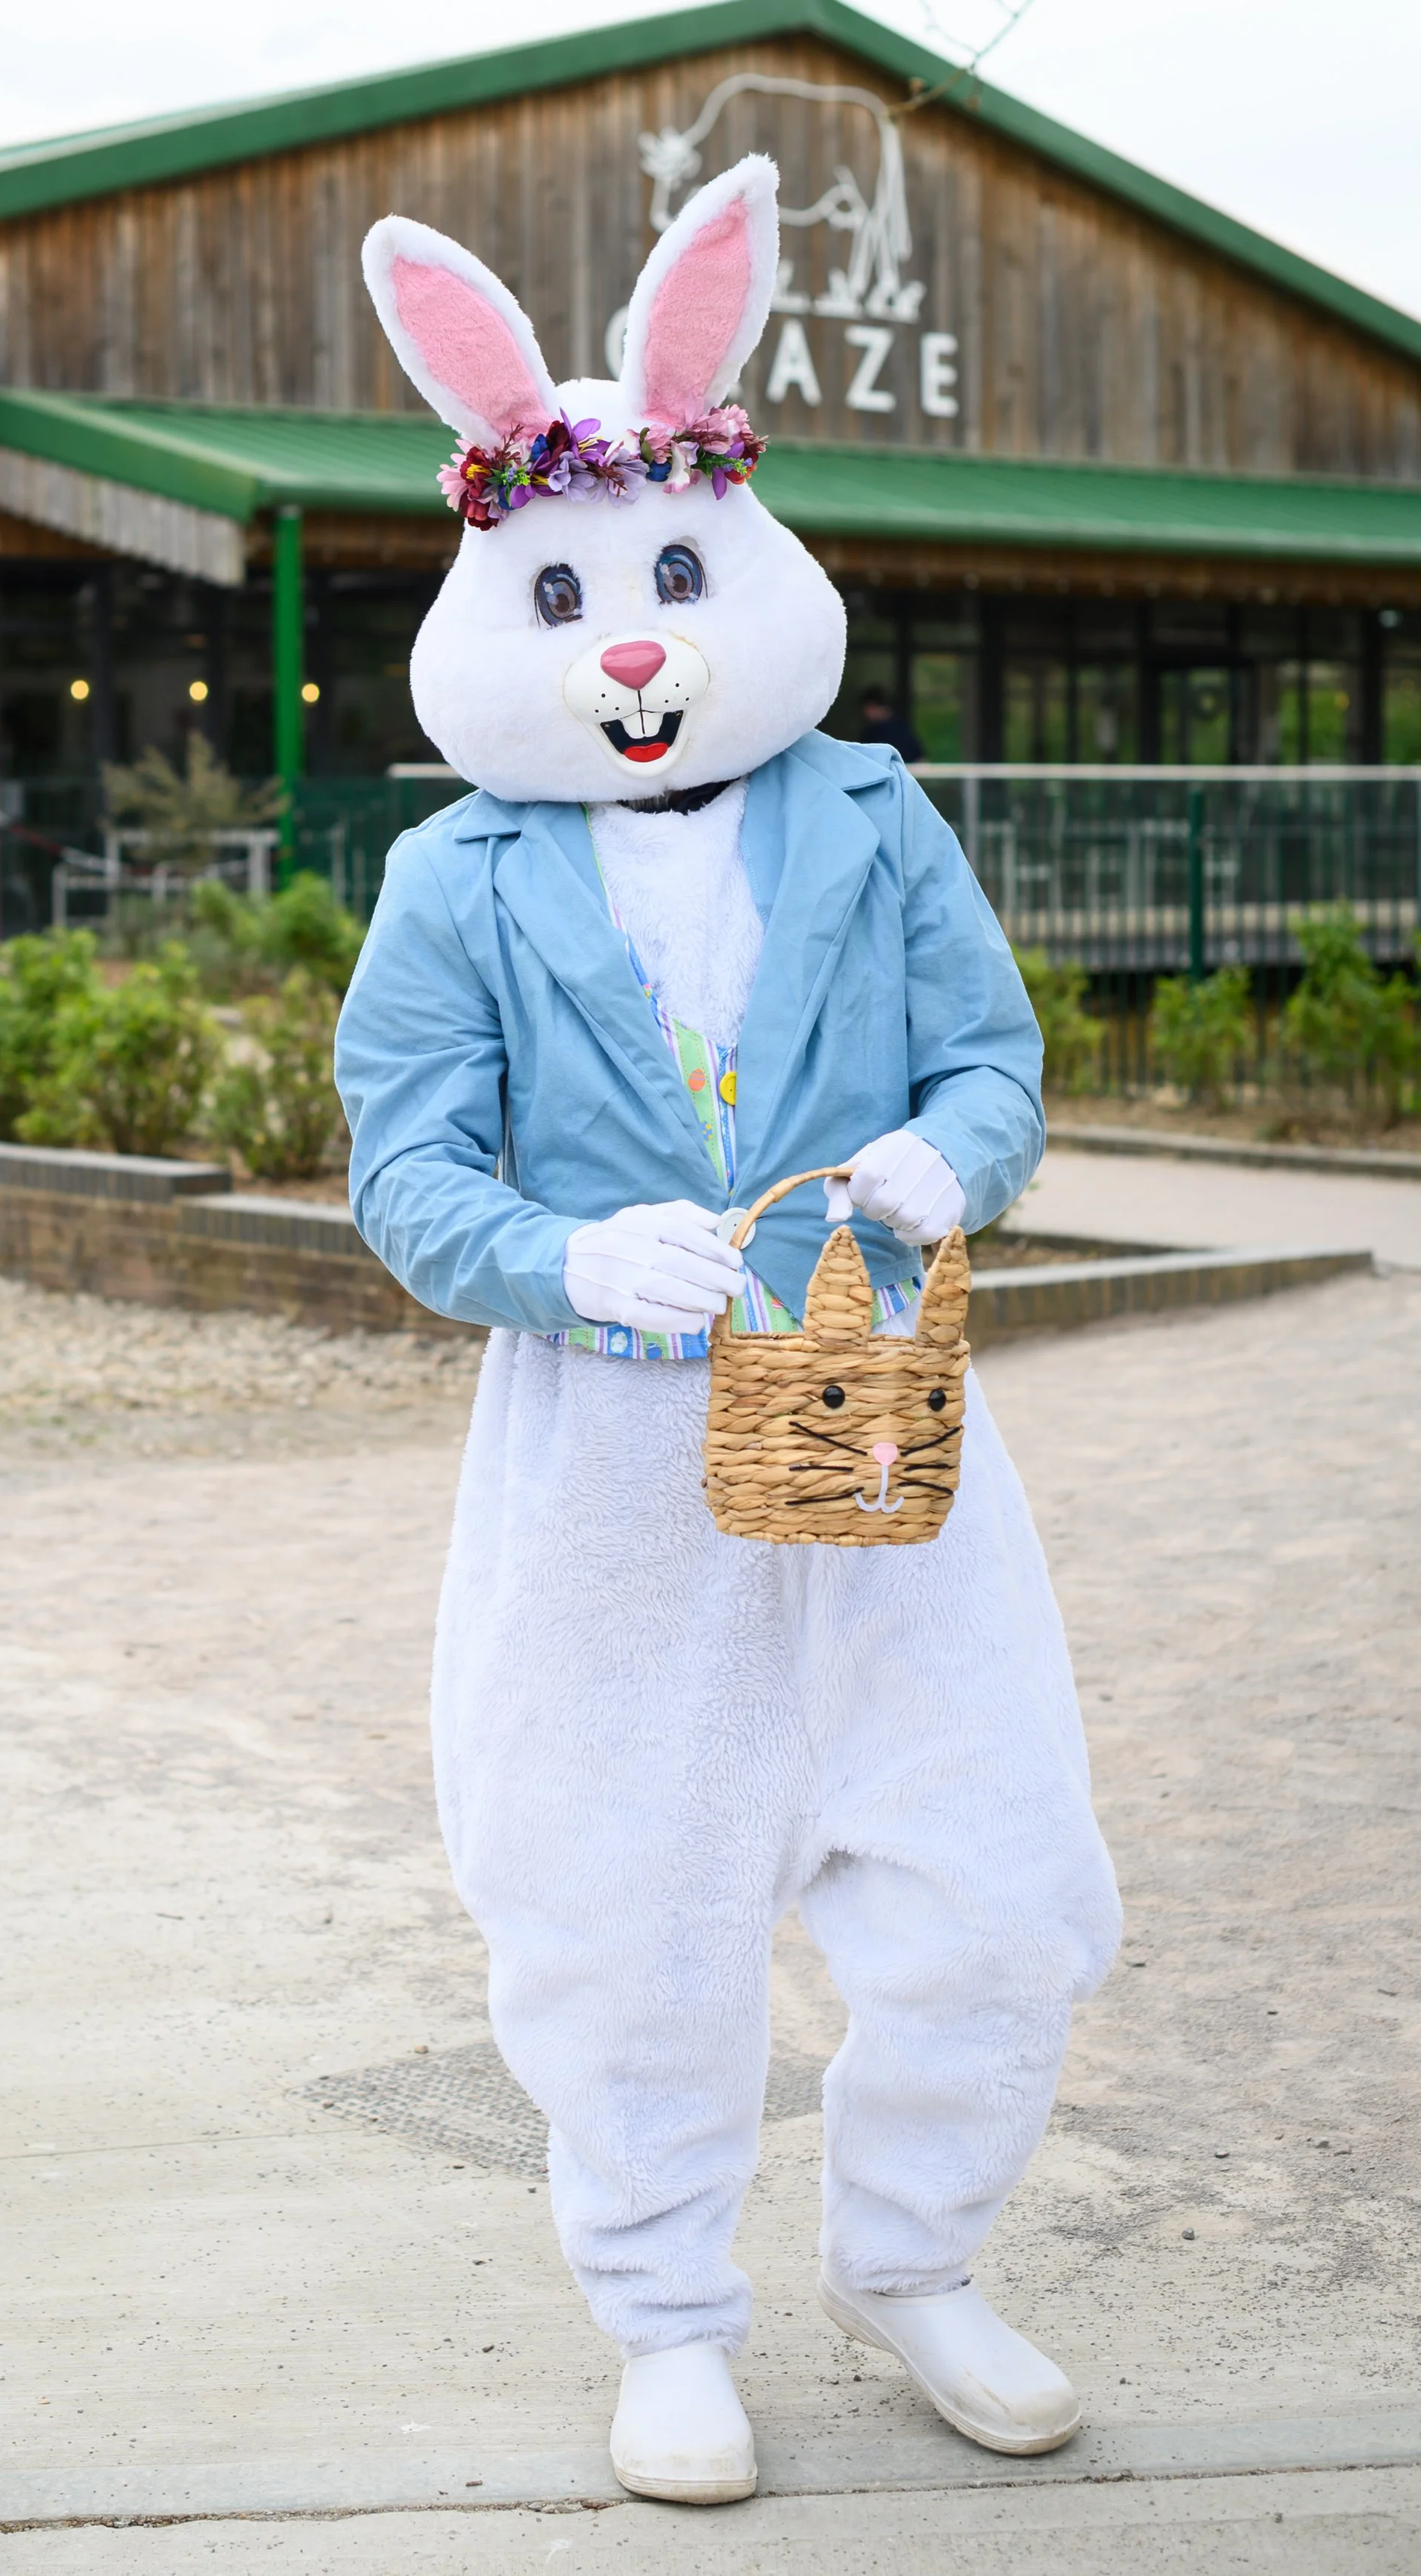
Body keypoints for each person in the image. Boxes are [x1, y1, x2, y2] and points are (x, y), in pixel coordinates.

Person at [336, 157, 1120, 2507]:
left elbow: (987, 1062)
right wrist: (564, 1260)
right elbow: (406, 1173)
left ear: (739, 565)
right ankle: (664, 2311)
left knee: (989, 1878)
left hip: (874, 1422)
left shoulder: (873, 818)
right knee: (626, 1896)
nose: (629, 645)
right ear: (496, 590)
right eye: (565, 595)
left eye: (669, 581)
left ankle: (913, 2256)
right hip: (600, 1466)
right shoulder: (449, 877)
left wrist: (936, 1162)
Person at [856, 682, 926, 764]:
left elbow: (920, 760)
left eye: (868, 708)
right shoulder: (870, 732)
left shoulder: (899, 730)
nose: (866, 713)